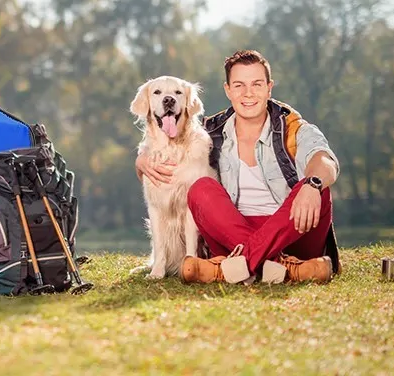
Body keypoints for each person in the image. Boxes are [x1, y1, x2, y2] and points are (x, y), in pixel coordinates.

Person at [135, 49, 340, 284]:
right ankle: (289, 269)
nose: (248, 93)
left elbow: (324, 161)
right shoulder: (210, 134)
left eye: (257, 84)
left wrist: (312, 185)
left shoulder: (294, 127)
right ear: (228, 90)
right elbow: (168, 157)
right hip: (232, 233)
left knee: (318, 189)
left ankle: (224, 269)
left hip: (290, 228)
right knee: (201, 188)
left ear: (269, 88)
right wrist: (141, 160)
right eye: (239, 85)